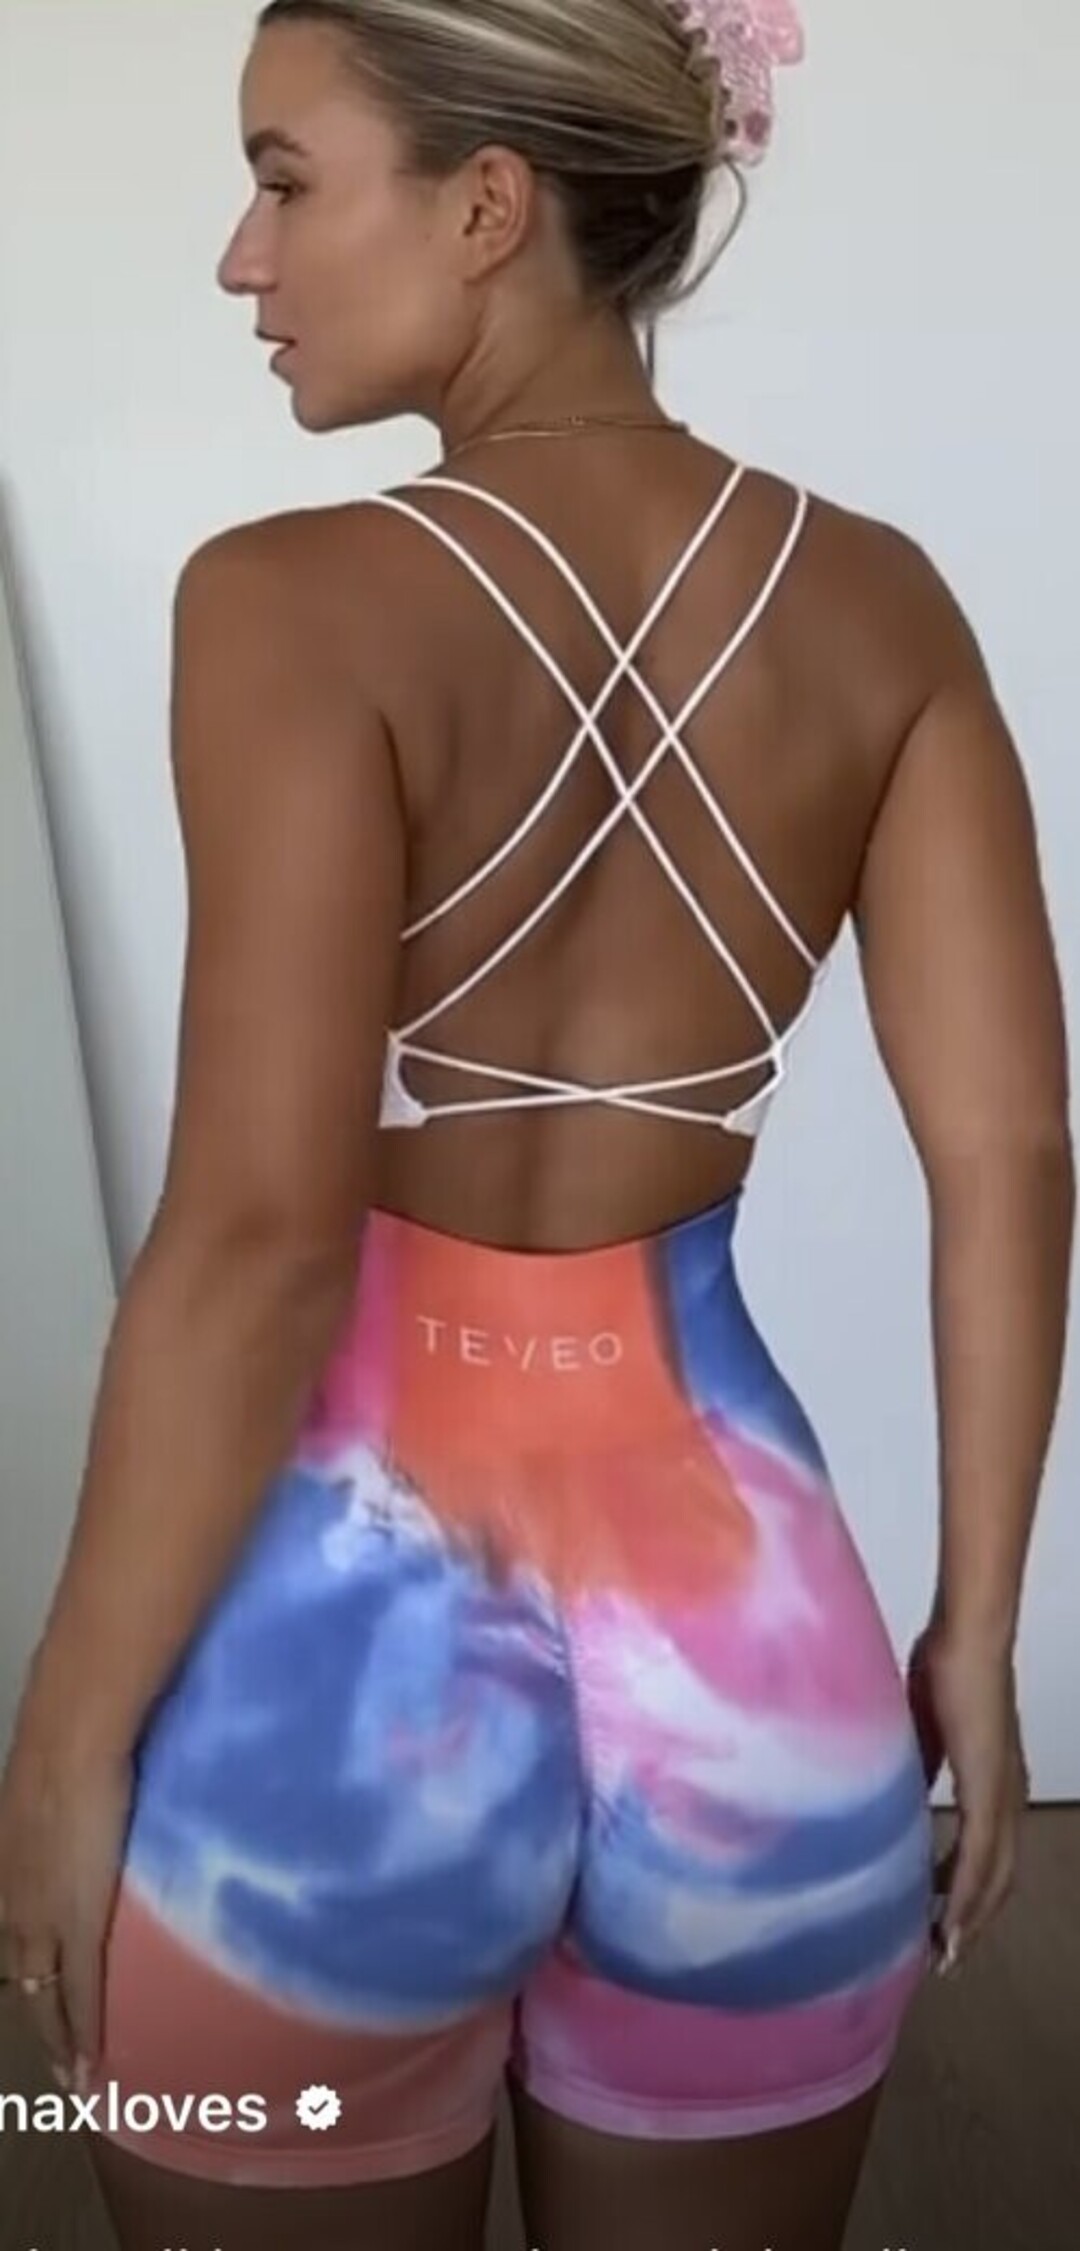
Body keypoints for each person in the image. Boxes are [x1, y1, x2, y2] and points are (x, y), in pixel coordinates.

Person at [0, 1, 1071, 2246]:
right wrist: (975, 1629)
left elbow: (262, 1237)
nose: (240, 256)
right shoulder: (882, 608)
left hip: (327, 1688)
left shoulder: (290, 607)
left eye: (285, 179)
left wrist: (66, 1734)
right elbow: (1011, 1158)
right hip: (760, 1675)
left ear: (488, 206)